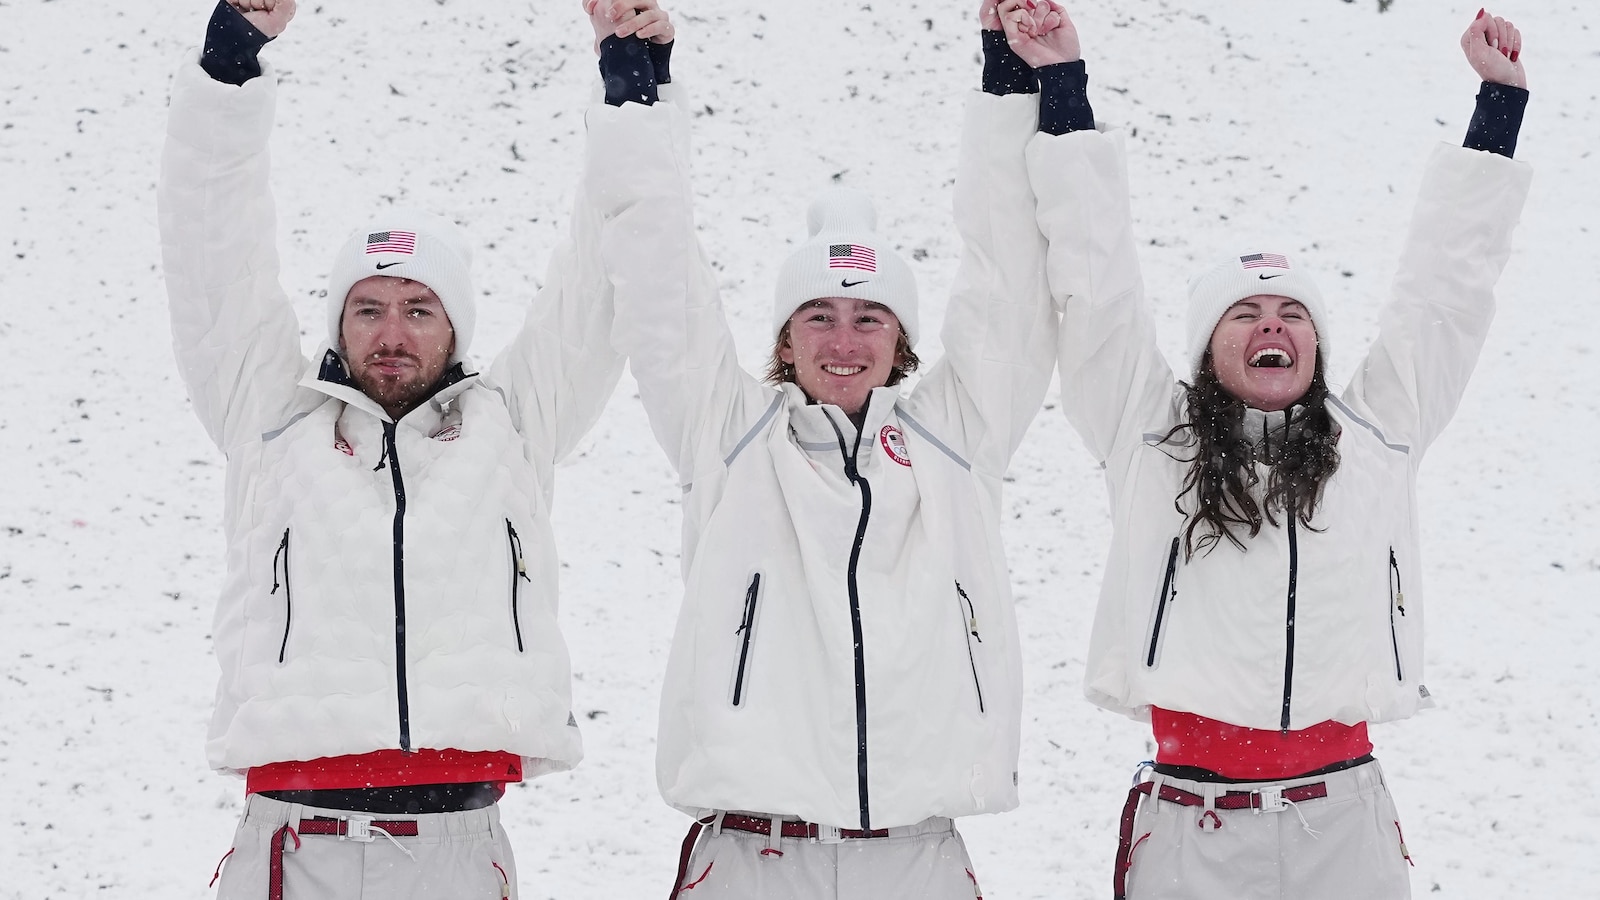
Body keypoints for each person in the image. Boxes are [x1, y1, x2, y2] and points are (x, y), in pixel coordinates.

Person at [1022, 4, 1531, 898]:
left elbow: (1445, 292)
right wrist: (1063, 86)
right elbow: (1096, 283)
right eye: (1246, 313)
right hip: (1193, 825)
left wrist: (1498, 110)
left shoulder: (1376, 435)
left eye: (1292, 313)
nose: (1272, 325)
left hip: (1344, 822)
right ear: (1208, 348)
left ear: (1317, 346)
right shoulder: (1150, 438)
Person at [577, 0, 1079, 896]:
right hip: (750, 855)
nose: (843, 340)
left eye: (869, 317)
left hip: (915, 853)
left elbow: (1005, 277)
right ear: (784, 338)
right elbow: (656, 273)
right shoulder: (728, 435)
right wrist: (635, 87)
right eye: (819, 315)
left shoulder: (953, 439)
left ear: (900, 339)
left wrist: (1009, 83)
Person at [158, 1, 625, 896]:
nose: (392, 333)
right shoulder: (274, 418)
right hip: (297, 843)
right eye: (368, 308)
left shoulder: (514, 424)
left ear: (455, 327)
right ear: (338, 321)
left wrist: (630, 88)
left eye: (419, 309)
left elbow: (601, 276)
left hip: (458, 846)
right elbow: (211, 253)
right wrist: (229, 67)